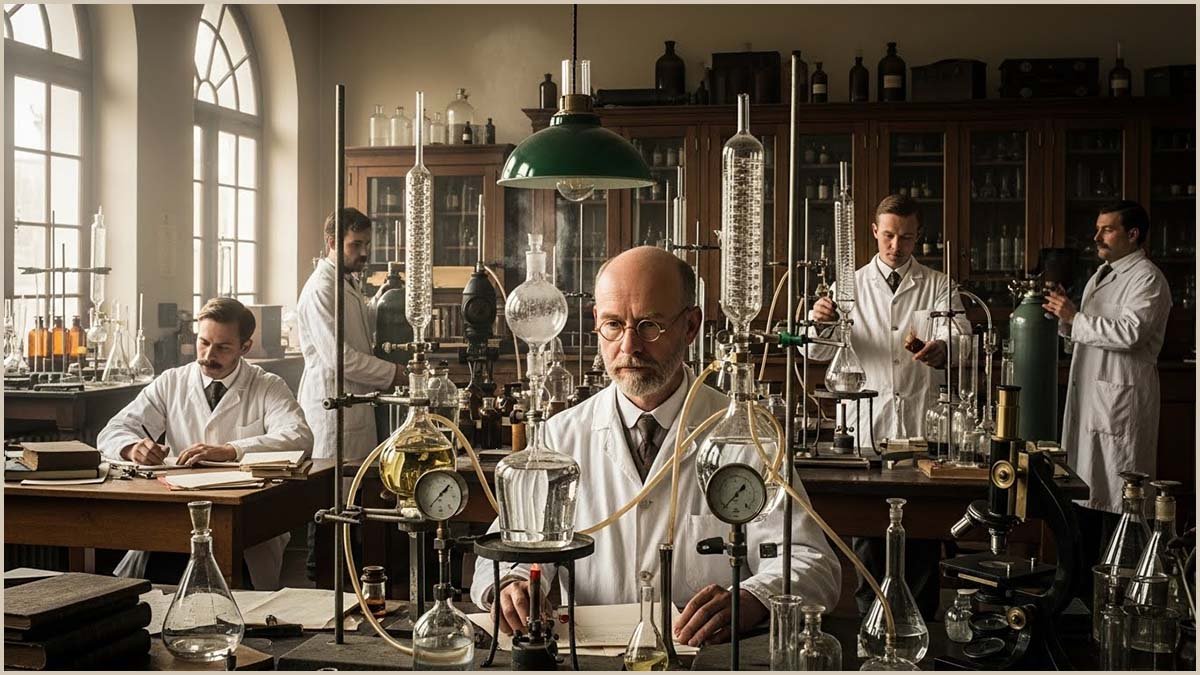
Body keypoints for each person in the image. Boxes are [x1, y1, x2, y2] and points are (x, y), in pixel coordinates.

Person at [469, 246, 841, 647]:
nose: (629, 347)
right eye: (613, 325)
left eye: (649, 326)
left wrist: (752, 598)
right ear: (596, 322)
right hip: (593, 663)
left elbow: (812, 562)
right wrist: (510, 585)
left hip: (703, 661)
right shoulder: (560, 438)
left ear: (691, 326)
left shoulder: (749, 437)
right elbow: (509, 552)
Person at [805, 194, 968, 620]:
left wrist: (944, 349)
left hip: (921, 429)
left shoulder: (938, 284)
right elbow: (818, 354)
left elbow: (964, 339)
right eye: (890, 235)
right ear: (875, 231)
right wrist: (820, 321)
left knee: (922, 538)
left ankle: (921, 633)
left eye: (908, 237)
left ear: (918, 237)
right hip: (866, 431)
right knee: (869, 543)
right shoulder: (848, 286)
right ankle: (871, 631)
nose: (897, 246)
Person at [97, 297, 313, 589]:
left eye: (223, 347)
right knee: (157, 589)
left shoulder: (266, 385)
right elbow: (113, 430)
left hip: (244, 519)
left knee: (238, 596)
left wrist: (231, 450)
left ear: (245, 347)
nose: (208, 355)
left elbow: (299, 436)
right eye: (203, 342)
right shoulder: (171, 382)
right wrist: (131, 447)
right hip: (176, 517)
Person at [1043, 200, 1171, 598]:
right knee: (1086, 503)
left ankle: (1118, 603)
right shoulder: (1103, 274)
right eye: (1097, 229)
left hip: (1120, 409)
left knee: (1121, 509)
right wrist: (1067, 321)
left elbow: (1129, 333)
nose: (1097, 237)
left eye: (1108, 229)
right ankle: (1082, 603)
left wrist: (1075, 319)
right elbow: (1089, 334)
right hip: (1092, 404)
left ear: (1133, 234)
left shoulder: (1148, 279)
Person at [297, 208, 405, 462]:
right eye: (355, 245)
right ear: (332, 243)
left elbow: (358, 326)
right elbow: (341, 359)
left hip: (354, 404)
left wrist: (381, 300)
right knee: (340, 492)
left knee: (357, 490)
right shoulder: (321, 289)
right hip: (333, 410)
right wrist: (395, 374)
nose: (364, 252)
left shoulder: (345, 282)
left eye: (366, 244)